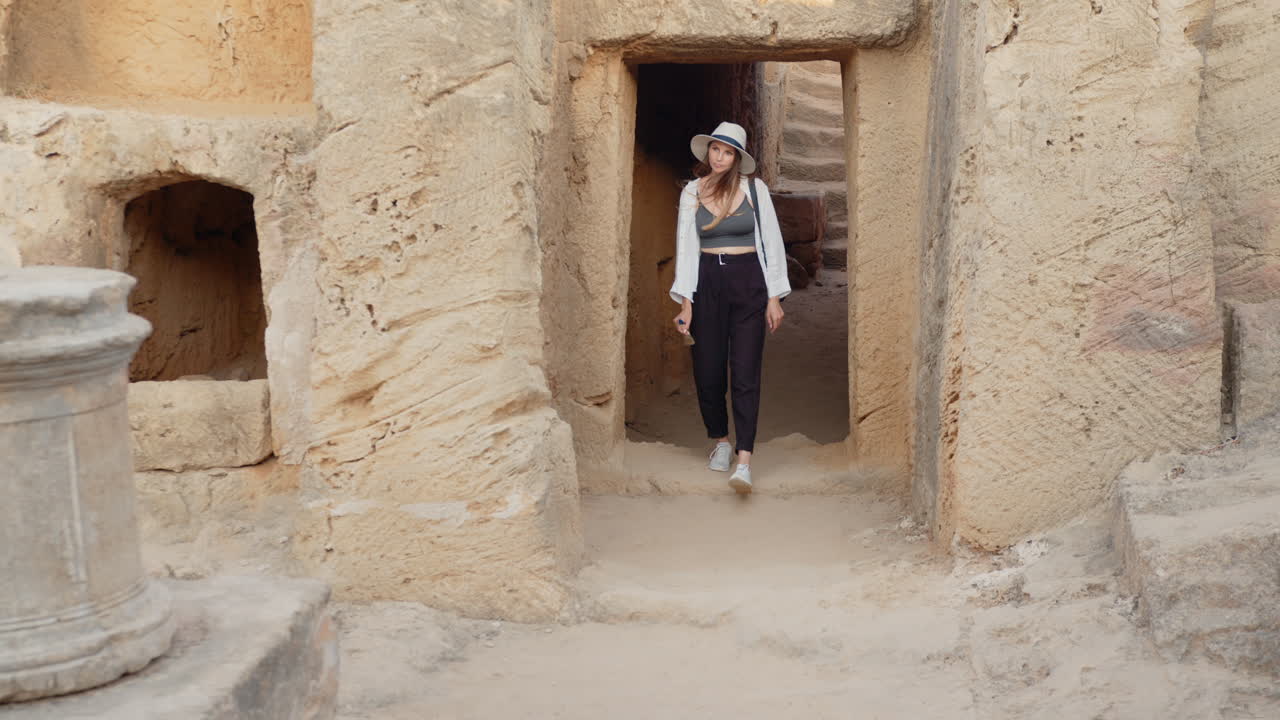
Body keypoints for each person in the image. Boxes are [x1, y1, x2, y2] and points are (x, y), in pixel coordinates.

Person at [670, 121, 790, 494]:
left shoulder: (754, 189)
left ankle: (744, 460)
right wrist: (686, 303)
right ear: (708, 151)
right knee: (707, 371)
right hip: (707, 282)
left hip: (749, 281)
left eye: (727, 152)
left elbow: (771, 241)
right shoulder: (692, 192)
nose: (720, 157)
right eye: (716, 149)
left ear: (737, 158)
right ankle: (720, 441)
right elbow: (686, 249)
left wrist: (774, 297)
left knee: (745, 373)